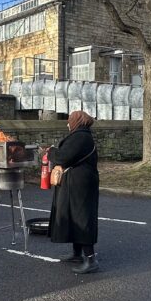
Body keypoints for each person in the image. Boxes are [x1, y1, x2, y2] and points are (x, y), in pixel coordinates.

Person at [47, 110, 100, 274]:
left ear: (77, 121)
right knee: (73, 217)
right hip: (76, 184)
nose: (68, 123)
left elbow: (63, 157)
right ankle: (77, 254)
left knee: (81, 218)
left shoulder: (80, 137)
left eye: (70, 120)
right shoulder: (81, 136)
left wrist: (50, 152)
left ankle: (91, 260)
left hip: (80, 186)